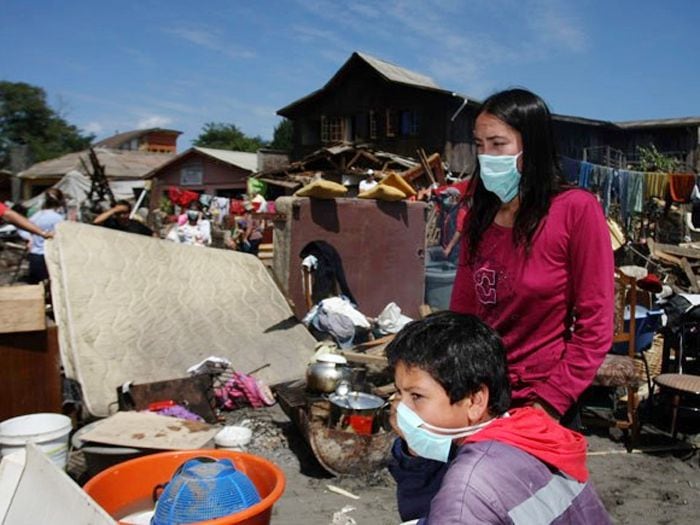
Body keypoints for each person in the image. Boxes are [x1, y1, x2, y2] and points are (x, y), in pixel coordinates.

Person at [450, 88, 614, 422]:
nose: (486, 156)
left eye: (498, 144)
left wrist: (549, 405)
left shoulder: (576, 211)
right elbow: (463, 315)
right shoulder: (479, 217)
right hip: (481, 396)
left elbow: (595, 325)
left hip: (545, 400)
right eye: (480, 145)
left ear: (532, 145)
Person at [387, 311, 611, 524]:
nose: (400, 408)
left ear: (475, 401)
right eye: (399, 392)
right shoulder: (529, 432)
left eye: (416, 396)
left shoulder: (468, 486)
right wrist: (416, 450)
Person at [18, 188, 65, 284]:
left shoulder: (36, 216)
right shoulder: (60, 219)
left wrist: (29, 239)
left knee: (37, 286)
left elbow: (21, 228)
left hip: (35, 255)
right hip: (53, 256)